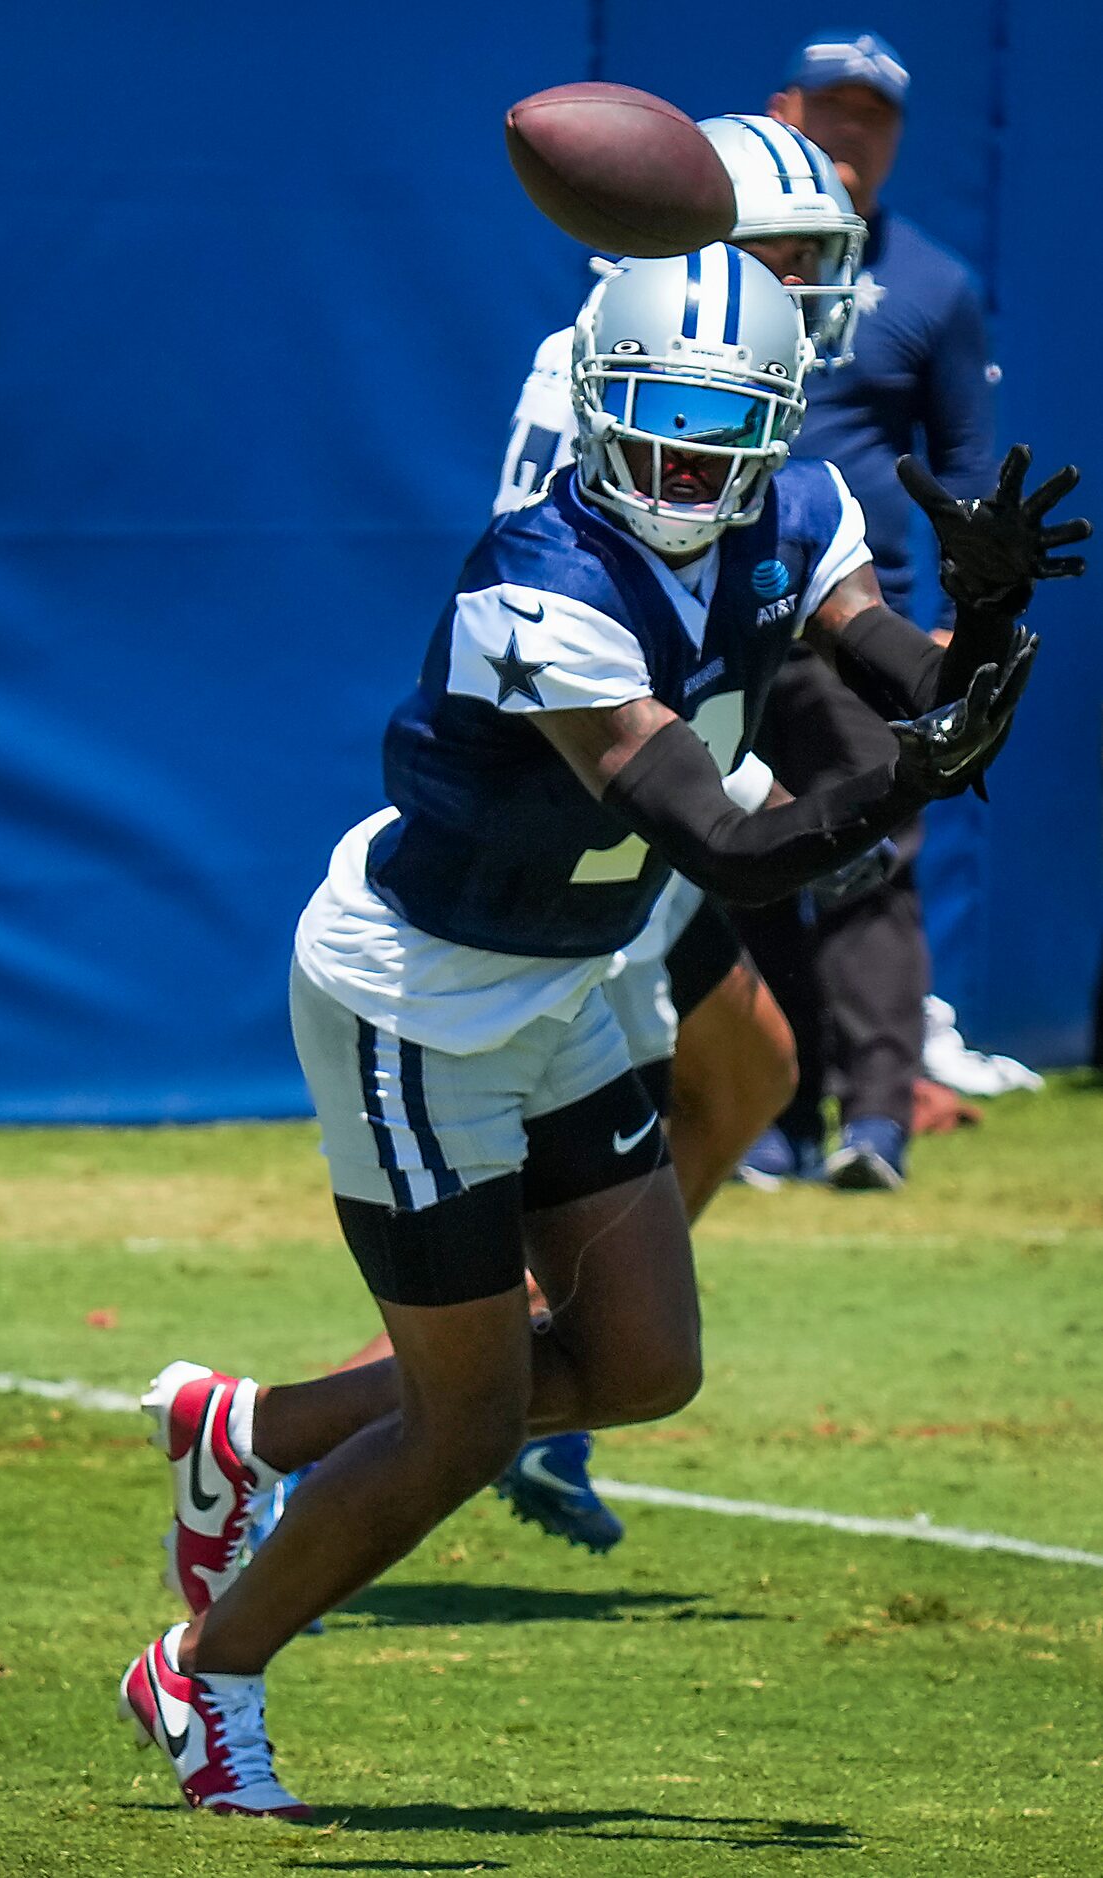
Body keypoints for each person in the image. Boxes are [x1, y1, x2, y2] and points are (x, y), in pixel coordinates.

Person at [114, 243, 1079, 1817]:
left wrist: (981, 616)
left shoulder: (796, 513)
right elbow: (730, 844)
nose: (685, 463)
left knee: (639, 1363)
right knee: (469, 1419)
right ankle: (204, 1671)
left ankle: (251, 1428)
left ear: (780, 430)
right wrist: (913, 767)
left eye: (721, 430)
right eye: (651, 422)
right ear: (589, 403)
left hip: (563, 975)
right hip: (418, 999)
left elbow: (918, 683)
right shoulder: (535, 578)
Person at [490, 112, 864, 1537]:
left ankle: (555, 1399)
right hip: (596, 828)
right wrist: (745, 781)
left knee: (752, 1072)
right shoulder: (619, 371)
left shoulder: (700, 363)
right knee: (548, 1236)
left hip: (655, 811)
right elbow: (582, 615)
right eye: (774, 253)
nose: (803, 287)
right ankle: (300, 1452)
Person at [736, 28, 1003, 1190]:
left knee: (868, 856)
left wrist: (961, 624)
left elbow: (963, 471)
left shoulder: (935, 284)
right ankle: (770, 1114)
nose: (849, 138)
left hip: (861, 619)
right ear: (783, 111)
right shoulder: (710, 266)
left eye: (874, 119)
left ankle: (876, 1125)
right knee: (739, 852)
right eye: (830, 111)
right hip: (723, 622)